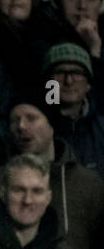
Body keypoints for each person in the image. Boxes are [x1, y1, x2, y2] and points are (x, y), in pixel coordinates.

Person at [0, 91, 104, 249]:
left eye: (31, 118)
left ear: (52, 126)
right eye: (15, 120)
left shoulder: (88, 183)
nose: (21, 126)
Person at [44, 41, 104, 171]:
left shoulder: (101, 128)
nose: (69, 81)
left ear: (88, 84)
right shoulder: (35, 125)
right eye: (60, 73)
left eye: (77, 73)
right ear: (48, 82)